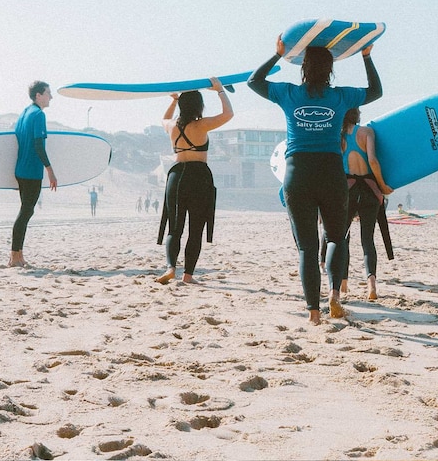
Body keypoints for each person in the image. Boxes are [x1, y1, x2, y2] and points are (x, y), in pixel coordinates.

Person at [248, 36, 382, 325]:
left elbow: (254, 82)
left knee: (307, 247)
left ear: (303, 68)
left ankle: (313, 313)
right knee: (336, 237)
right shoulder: (340, 97)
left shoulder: (289, 94)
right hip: (331, 172)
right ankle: (334, 296)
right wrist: (366, 56)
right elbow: (376, 91)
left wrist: (276, 54)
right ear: (331, 70)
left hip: (298, 173)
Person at [155, 79, 233, 285]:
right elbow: (228, 114)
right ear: (199, 106)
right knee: (195, 228)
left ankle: (171, 267)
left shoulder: (171, 126)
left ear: (182, 106)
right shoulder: (202, 124)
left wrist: (173, 101)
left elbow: (164, 119)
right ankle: (188, 275)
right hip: (199, 177)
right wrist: (220, 91)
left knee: (175, 227)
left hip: (176, 176)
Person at [338, 108, 393, 301]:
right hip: (370, 190)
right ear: (357, 115)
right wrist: (383, 186)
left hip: (348, 191)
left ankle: (343, 284)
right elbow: (372, 160)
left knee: (342, 237)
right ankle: (371, 286)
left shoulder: (339, 136)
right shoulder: (367, 132)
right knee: (367, 240)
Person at [9, 81, 57, 268]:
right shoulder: (38, 115)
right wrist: (50, 171)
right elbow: (39, 145)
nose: (50, 97)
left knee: (25, 211)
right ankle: (15, 256)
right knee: (25, 212)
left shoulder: (24, 114)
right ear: (39, 95)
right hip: (31, 172)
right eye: (48, 93)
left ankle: (18, 255)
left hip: (21, 170)